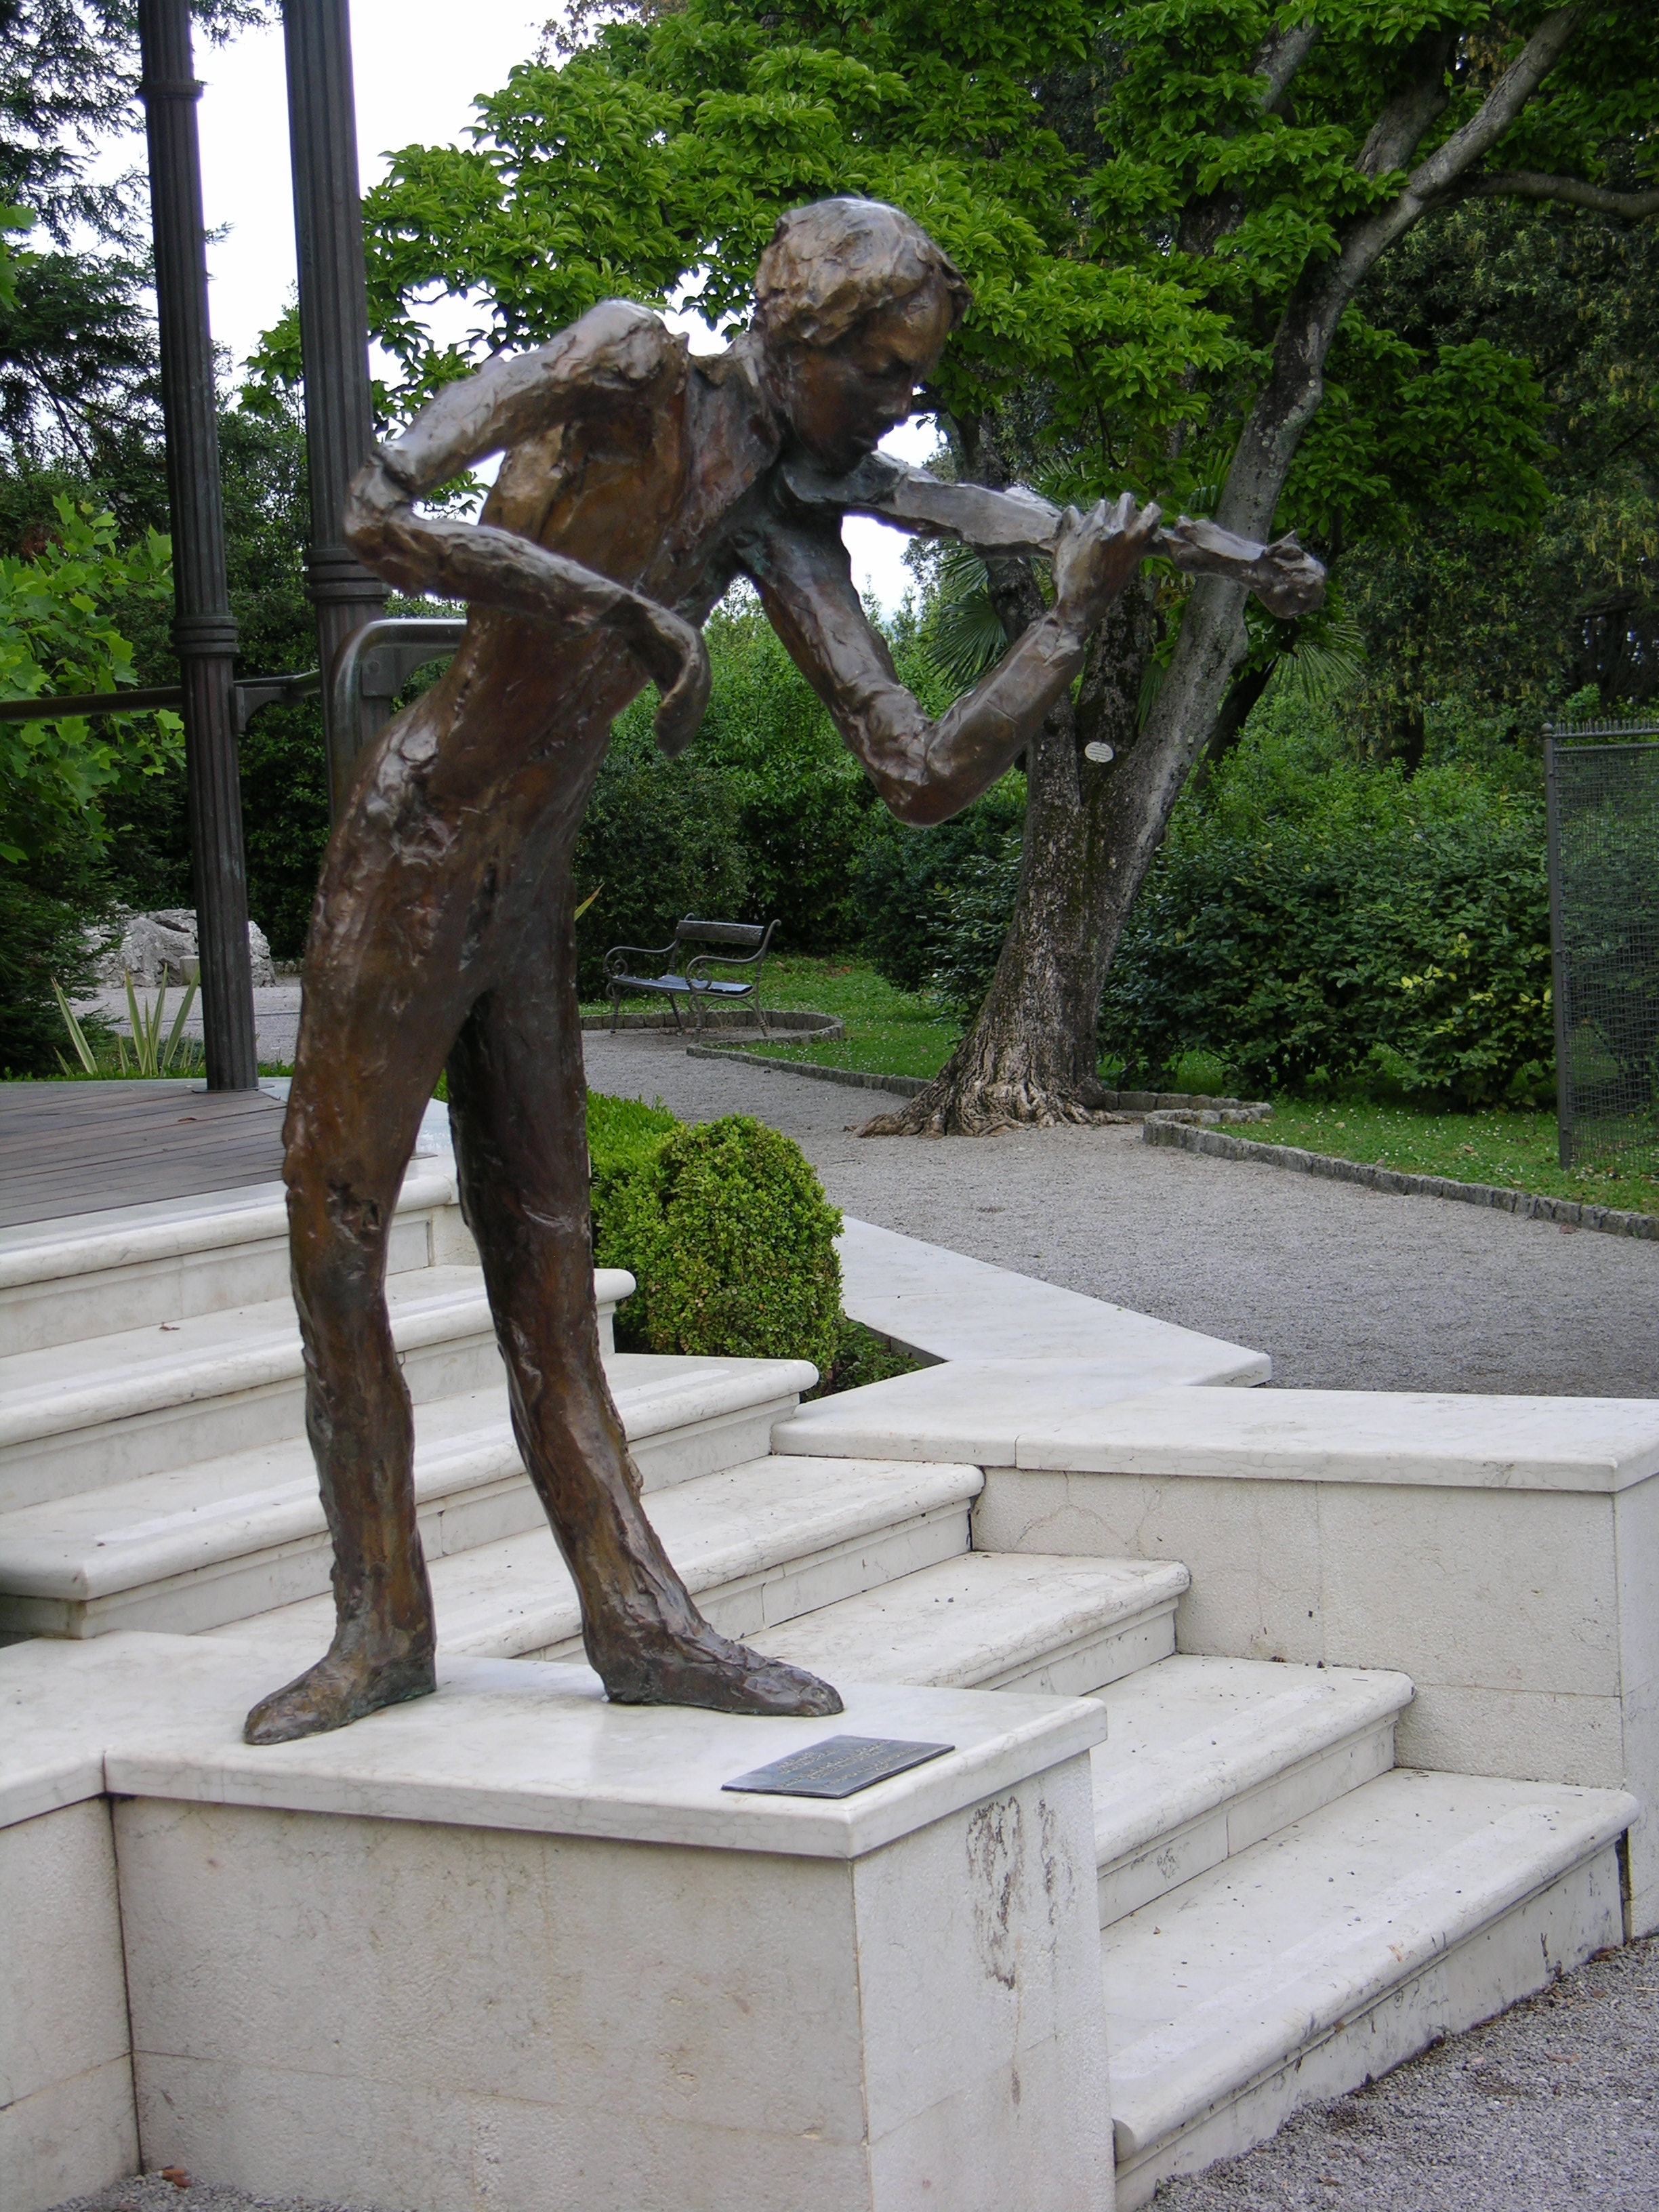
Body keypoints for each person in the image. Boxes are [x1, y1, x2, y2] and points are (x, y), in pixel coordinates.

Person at [245, 196, 1165, 1744]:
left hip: (527, 887)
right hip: (412, 850)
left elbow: (918, 772)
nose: (902, 405)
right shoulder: (627, 366)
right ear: (799, 333)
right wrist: (620, 608)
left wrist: (1068, 619)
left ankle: (639, 1622)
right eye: (884, 369)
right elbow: (376, 512)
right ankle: (379, 1622)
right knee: (337, 1242)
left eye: (917, 379)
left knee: (549, 1264)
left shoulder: (778, 523)